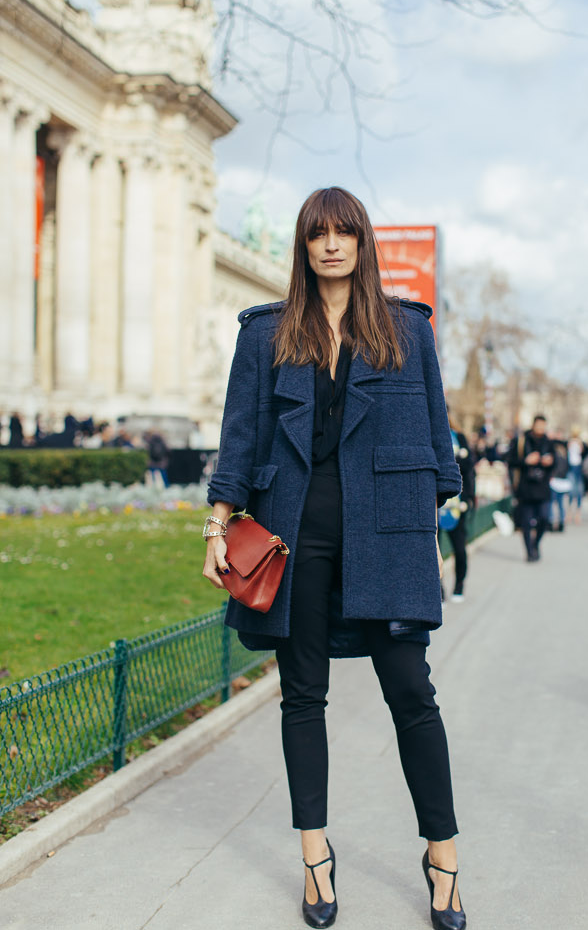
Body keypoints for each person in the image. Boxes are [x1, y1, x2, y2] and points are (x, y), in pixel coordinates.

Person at [203, 186, 467, 930]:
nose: (330, 245)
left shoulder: (407, 331)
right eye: (317, 233)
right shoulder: (266, 335)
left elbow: (438, 437)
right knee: (302, 696)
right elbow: (240, 438)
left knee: (412, 693)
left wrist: (436, 516)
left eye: (342, 232)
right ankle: (315, 853)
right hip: (296, 532)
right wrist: (217, 525)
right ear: (303, 245)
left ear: (361, 242)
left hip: (385, 532)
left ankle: (442, 855)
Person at [507, 414, 555, 562]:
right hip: (526, 487)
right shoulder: (521, 441)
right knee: (526, 522)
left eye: (543, 425)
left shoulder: (549, 442)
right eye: (538, 425)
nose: (541, 428)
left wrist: (550, 462)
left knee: (544, 518)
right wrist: (526, 461)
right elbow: (510, 461)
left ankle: (535, 543)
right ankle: (529, 551)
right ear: (533, 425)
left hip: (542, 487)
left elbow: (557, 463)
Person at [443, 406, 478, 603]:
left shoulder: (459, 438)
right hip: (435, 506)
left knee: (459, 548)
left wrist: (468, 498)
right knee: (433, 550)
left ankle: (459, 585)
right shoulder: (426, 434)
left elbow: (469, 471)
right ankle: (438, 590)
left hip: (457, 503)